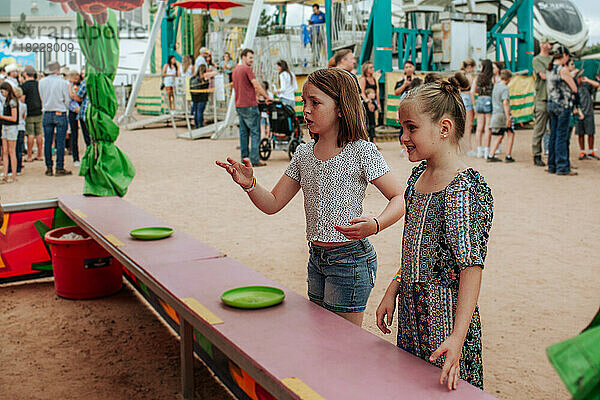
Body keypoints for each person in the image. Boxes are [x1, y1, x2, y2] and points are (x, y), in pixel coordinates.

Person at [217, 68, 405, 326]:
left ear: (341, 108)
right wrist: (250, 185)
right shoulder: (303, 154)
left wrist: (375, 224)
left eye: (315, 102)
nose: (305, 110)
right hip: (316, 260)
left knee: (341, 345)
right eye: (304, 102)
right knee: (320, 338)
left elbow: (398, 197)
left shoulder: (361, 151)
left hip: (350, 262)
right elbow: (272, 203)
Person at [376, 78, 493, 391]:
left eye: (411, 128)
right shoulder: (417, 176)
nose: (404, 137)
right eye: (402, 128)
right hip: (412, 320)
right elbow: (418, 248)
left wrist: (457, 338)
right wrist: (394, 286)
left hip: (447, 328)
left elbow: (471, 268)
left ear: (444, 128)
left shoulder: (464, 188)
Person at [231, 49, 272, 167]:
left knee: (243, 133)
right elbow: (256, 85)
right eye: (250, 57)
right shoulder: (247, 69)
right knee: (255, 132)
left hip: (239, 104)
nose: (252, 60)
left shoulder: (235, 70)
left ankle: (244, 158)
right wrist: (266, 96)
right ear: (243, 57)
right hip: (249, 104)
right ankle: (254, 159)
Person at [547, 47, 578, 176]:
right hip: (563, 105)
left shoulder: (549, 70)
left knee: (553, 135)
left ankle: (552, 165)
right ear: (564, 55)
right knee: (561, 136)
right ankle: (562, 166)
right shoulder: (563, 70)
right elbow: (574, 89)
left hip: (551, 103)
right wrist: (572, 76)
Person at [39, 61, 71, 177]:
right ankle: (59, 167)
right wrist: (65, 108)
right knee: (60, 141)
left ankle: (48, 167)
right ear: (58, 70)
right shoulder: (63, 82)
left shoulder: (41, 82)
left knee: (48, 141)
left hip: (47, 112)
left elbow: (42, 97)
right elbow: (67, 100)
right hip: (60, 111)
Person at [532, 37, 553, 166]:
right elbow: (543, 76)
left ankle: (552, 154)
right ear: (543, 44)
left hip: (553, 98)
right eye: (550, 43)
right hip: (542, 98)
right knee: (539, 128)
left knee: (553, 129)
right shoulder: (537, 60)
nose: (551, 46)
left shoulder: (552, 59)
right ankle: (536, 154)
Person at [487, 69, 515, 162]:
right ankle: (507, 155)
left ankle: (491, 154)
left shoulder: (496, 86)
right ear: (509, 78)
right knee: (508, 133)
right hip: (502, 114)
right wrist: (508, 118)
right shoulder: (504, 88)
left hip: (495, 113)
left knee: (501, 134)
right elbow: (505, 102)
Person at [471, 60, 494, 159]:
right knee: (487, 128)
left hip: (479, 100)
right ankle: (487, 151)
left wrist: (474, 104)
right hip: (489, 99)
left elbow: (472, 92)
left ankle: (479, 150)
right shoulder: (492, 78)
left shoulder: (478, 78)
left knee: (479, 128)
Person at [20, 65, 43, 162]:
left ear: (25, 74)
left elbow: (22, 100)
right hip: (39, 111)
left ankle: (29, 156)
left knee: (30, 134)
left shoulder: (23, 86)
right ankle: (39, 155)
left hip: (29, 112)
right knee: (39, 134)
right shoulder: (39, 84)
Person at [575, 73, 600, 160]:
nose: (580, 79)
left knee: (590, 133)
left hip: (589, 112)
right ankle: (582, 151)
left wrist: (587, 80)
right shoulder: (574, 87)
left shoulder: (586, 86)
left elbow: (597, 85)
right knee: (580, 133)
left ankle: (591, 151)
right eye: (579, 77)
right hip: (579, 112)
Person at [0, 82, 19, 183]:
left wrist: (2, 117)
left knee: (11, 152)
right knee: (6, 152)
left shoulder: (12, 102)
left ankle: (13, 175)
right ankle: (6, 174)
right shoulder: (7, 101)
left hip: (11, 128)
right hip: (6, 127)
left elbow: (14, 118)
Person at [189, 64, 216, 129]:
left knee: (196, 112)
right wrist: (211, 70)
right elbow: (215, 73)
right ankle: (200, 126)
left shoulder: (193, 77)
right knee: (200, 111)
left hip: (194, 96)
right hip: (202, 97)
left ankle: (196, 126)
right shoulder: (205, 76)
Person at [460, 58, 477, 156]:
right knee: (468, 126)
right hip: (467, 99)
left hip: (461, 98)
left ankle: (463, 148)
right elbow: (471, 91)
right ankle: (468, 148)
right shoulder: (469, 76)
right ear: (470, 67)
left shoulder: (460, 75)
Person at [67, 70, 82, 167]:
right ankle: (75, 157)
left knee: (85, 133)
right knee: (74, 134)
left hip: (80, 109)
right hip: (73, 110)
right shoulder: (68, 85)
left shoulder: (80, 85)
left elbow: (75, 96)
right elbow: (71, 96)